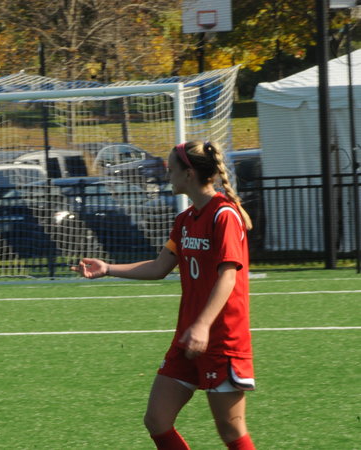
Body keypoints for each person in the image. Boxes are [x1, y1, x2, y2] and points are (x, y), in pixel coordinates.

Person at [72, 141, 256, 450]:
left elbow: (229, 276)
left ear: (189, 173)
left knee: (230, 429)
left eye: (171, 168)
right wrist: (108, 269)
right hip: (188, 338)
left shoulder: (223, 215)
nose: (166, 174)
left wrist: (202, 325)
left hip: (221, 338)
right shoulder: (185, 220)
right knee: (157, 419)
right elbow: (159, 267)